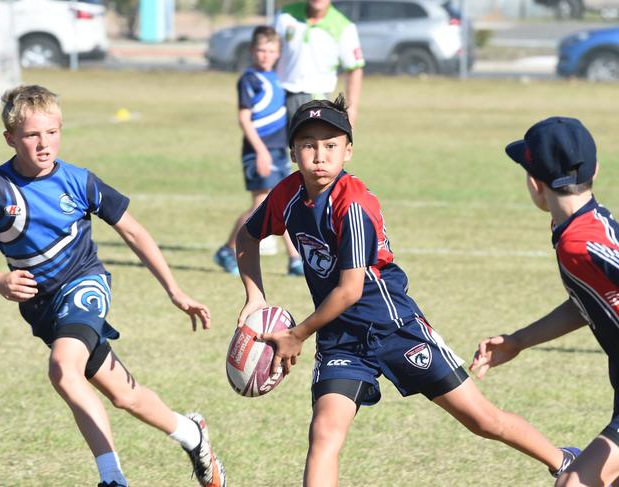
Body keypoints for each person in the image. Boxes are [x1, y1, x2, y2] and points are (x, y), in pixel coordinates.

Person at [234, 96, 581, 486]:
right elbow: (247, 236)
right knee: (324, 435)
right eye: (308, 145)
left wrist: (297, 335)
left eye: (330, 145)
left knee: (482, 420)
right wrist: (255, 295)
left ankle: (565, 461)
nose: (319, 155)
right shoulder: (288, 194)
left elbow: (350, 290)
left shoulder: (353, 205)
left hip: (396, 329)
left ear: (348, 150)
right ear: (294, 152)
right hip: (340, 340)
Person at [0, 85, 226, 487]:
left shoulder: (79, 181)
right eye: (32, 135)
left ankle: (112, 479)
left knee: (63, 370)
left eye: (52, 132)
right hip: (42, 308)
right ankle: (192, 434)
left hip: (84, 286)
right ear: (10, 139)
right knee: (125, 396)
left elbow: (134, 231)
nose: (44, 144)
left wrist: (175, 290)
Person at [470, 116, 619, 487]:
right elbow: (586, 304)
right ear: (595, 170)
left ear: (534, 183)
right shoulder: (574, 230)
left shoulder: (581, 241)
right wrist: (519, 340)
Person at [213, 25, 303, 277]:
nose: (265, 55)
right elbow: (244, 118)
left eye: (271, 50)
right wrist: (261, 151)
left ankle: (295, 258)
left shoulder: (278, 77)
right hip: (258, 150)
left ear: (278, 53)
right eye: (261, 50)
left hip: (277, 149)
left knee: (280, 203)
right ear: (252, 51)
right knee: (261, 205)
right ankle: (227, 249)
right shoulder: (249, 79)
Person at [274, 0, 364, 125]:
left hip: (314, 98)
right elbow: (270, 51)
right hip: (279, 94)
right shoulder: (285, 15)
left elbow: (354, 69)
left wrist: (352, 110)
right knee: (273, 144)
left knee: (306, 143)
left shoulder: (344, 26)